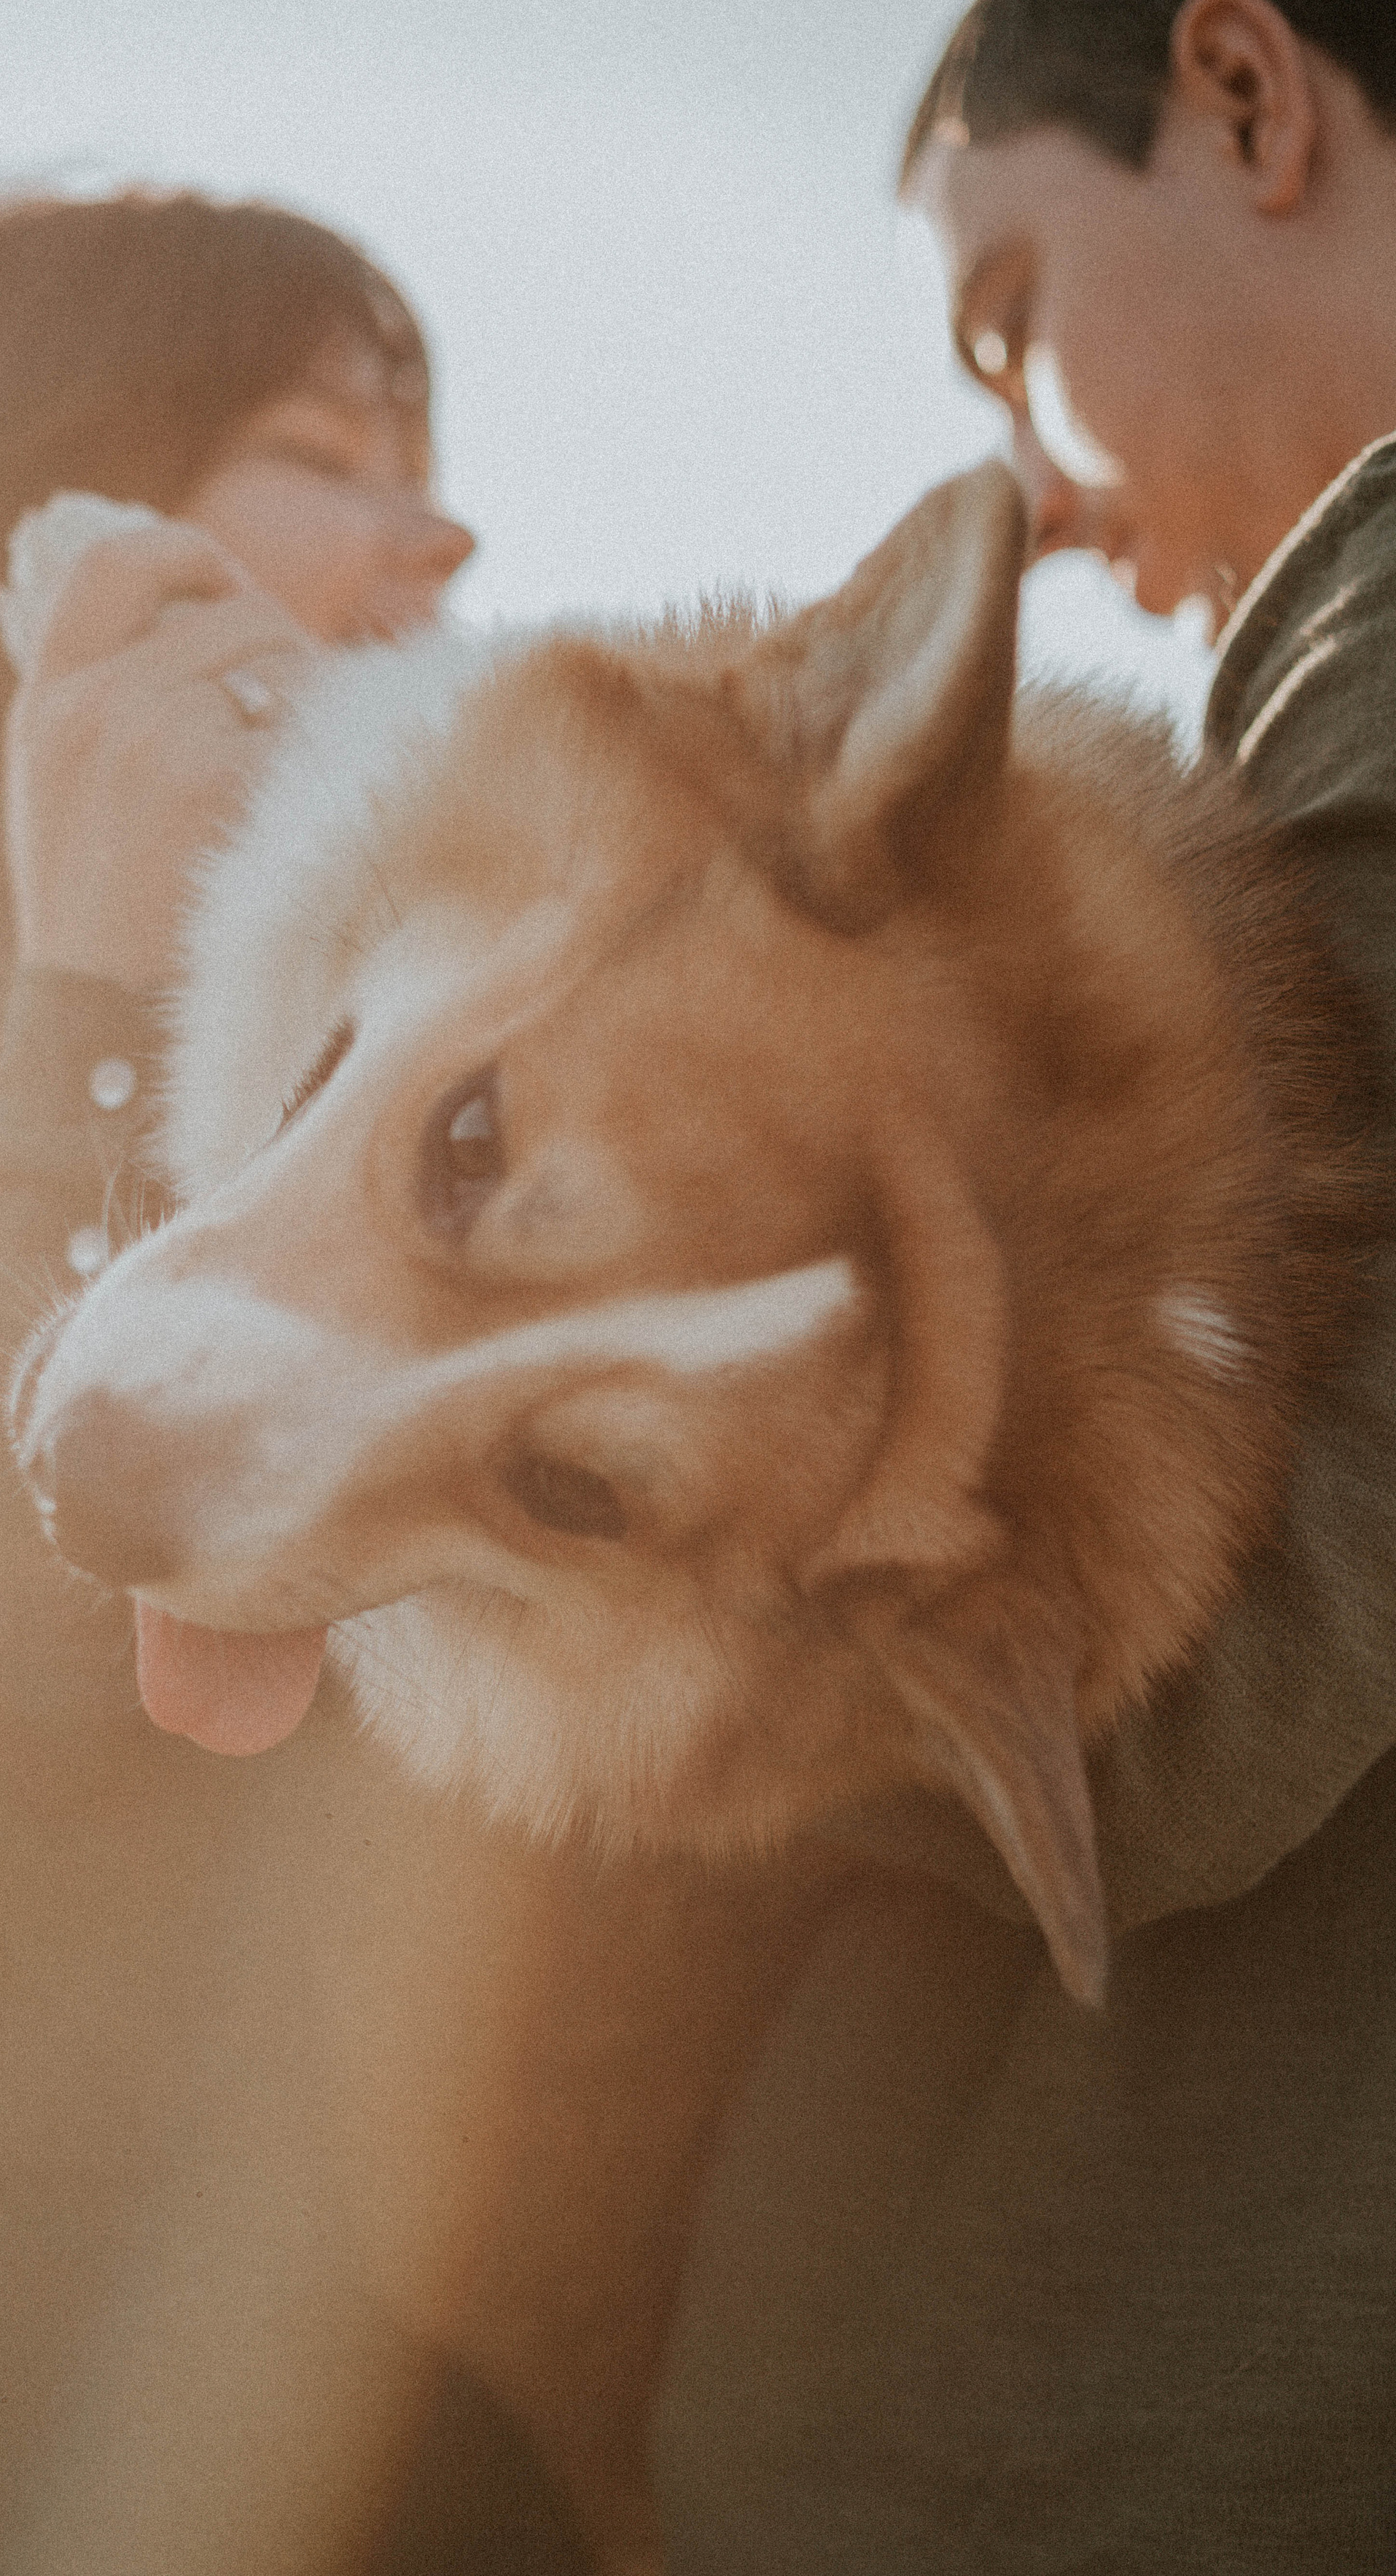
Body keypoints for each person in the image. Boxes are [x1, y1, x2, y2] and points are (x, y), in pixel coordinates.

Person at [0, 189, 778, 2574]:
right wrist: (96, 999)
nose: (451, 527)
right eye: (332, 442)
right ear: (38, 536)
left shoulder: (325, 1159)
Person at [647, 6, 1396, 2566]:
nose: (1037, 499)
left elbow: (1209, 1695)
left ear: (1247, 94)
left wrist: (592, 1623)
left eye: (1007, 316)